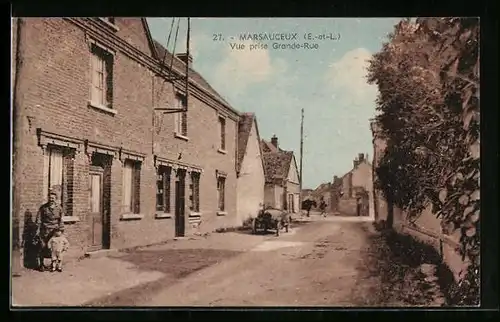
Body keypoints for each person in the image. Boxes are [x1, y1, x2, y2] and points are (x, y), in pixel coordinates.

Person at [34, 191, 65, 272]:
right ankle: (41, 265)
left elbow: (61, 220)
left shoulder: (59, 208)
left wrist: (61, 230)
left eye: (53, 198)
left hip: (54, 231)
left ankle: (53, 265)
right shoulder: (43, 208)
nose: (51, 199)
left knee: (54, 248)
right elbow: (39, 219)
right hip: (44, 230)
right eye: (50, 198)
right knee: (42, 247)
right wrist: (38, 230)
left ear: (56, 199)